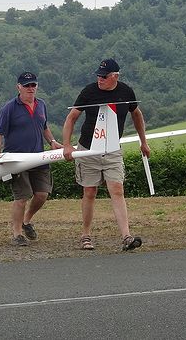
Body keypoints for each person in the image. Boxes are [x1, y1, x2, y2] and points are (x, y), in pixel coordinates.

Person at [61, 58, 150, 252]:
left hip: (111, 149)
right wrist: (67, 145)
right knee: (89, 192)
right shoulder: (89, 92)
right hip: (88, 149)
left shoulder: (126, 92)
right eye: (98, 76)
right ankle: (85, 235)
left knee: (117, 189)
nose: (100, 79)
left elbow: (137, 114)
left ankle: (126, 236)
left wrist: (143, 142)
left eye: (104, 76)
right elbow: (71, 118)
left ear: (115, 76)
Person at [0, 71, 63, 246]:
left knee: (42, 194)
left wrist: (52, 141)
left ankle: (26, 221)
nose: (31, 88)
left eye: (33, 85)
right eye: (27, 85)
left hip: (38, 157)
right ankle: (17, 234)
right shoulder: (9, 108)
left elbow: (44, 127)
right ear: (19, 87)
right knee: (22, 197)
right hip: (17, 159)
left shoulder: (42, 105)